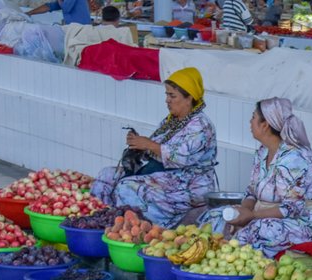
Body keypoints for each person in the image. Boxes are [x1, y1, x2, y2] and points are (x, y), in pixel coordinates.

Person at [199, 98, 312, 257]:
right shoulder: (262, 152)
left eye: (253, 117)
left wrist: (251, 216)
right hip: (266, 215)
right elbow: (251, 192)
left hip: (302, 223)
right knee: (216, 216)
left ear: (265, 125)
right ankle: (209, 257)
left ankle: (240, 268)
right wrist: (243, 210)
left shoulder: (293, 159)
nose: (249, 121)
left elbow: (292, 208)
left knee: (257, 229)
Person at [92, 68, 218, 228]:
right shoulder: (173, 120)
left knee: (128, 188)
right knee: (107, 175)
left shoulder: (201, 126)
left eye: (172, 96)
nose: (167, 100)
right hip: (164, 174)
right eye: (166, 95)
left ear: (189, 98)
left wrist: (148, 144)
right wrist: (138, 144)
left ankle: (140, 232)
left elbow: (181, 157)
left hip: (189, 182)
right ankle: (102, 224)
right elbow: (157, 146)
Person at [26, 0, 92, 25]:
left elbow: (66, 8)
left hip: (81, 29)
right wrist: (30, 13)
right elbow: (50, 6)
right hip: (75, 28)